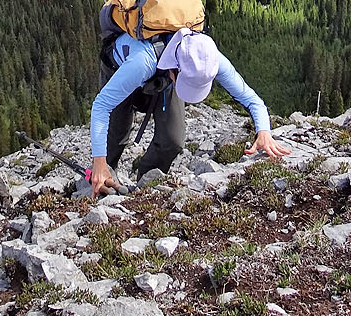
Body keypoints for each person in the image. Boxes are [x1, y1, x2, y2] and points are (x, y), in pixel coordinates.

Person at [90, 25, 291, 197]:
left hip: (162, 79)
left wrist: (264, 132)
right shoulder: (143, 61)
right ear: (174, 68)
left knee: (172, 141)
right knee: (116, 134)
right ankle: (104, 175)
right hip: (120, 69)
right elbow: (101, 106)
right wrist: (99, 160)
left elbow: (252, 100)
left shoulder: (208, 58)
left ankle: (146, 184)